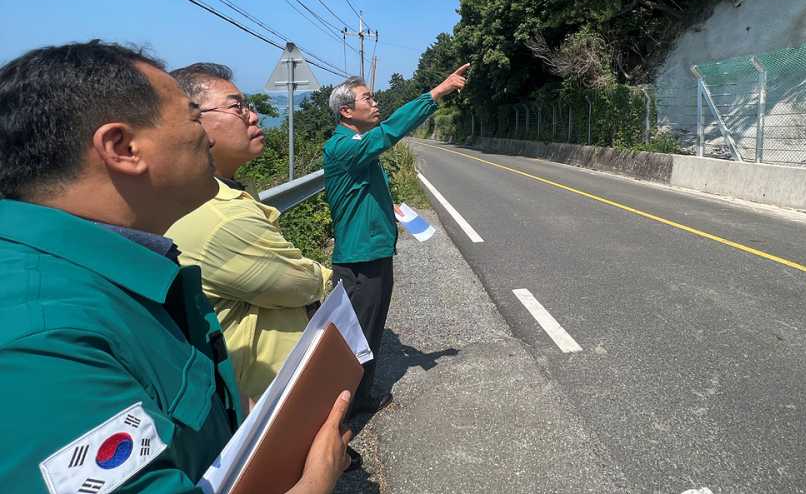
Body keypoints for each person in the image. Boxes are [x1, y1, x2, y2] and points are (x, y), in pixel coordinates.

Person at [0, 41, 351, 494]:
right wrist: (318, 480)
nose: (206, 135)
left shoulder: (123, 274)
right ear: (122, 147)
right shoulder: (41, 342)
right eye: (191, 118)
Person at [166, 63, 332, 402]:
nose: (253, 117)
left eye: (249, 106)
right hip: (266, 400)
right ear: (192, 123)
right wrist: (323, 274)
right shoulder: (220, 216)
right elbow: (301, 283)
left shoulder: (214, 193)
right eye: (237, 107)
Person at [324, 64, 469, 416]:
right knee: (361, 335)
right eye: (368, 98)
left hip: (370, 251)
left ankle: (350, 397)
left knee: (364, 330)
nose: (376, 104)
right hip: (362, 258)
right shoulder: (344, 146)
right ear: (346, 111)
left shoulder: (355, 145)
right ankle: (352, 405)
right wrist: (436, 92)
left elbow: (359, 192)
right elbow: (389, 133)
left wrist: (389, 206)